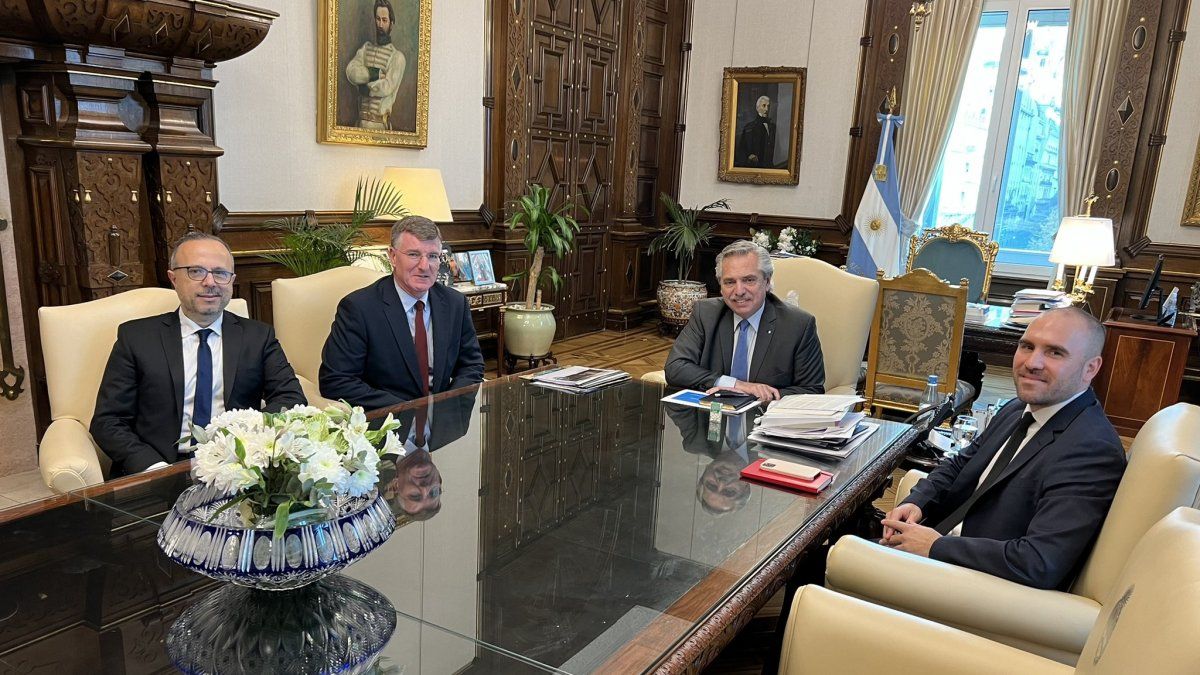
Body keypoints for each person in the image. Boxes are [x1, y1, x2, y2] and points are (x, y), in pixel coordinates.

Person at [881, 307, 1126, 590]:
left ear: (1091, 368)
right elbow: (962, 463)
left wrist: (936, 546)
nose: (1032, 363)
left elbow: (1040, 562)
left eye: (1055, 352)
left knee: (833, 560)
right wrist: (918, 501)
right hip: (936, 545)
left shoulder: (1091, 449)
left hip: (972, 584)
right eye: (1027, 346)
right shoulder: (1018, 408)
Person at [91, 232, 306, 477]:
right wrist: (153, 468)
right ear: (173, 278)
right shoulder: (137, 338)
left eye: (220, 273)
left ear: (232, 280)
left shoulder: (258, 337)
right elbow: (108, 421)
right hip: (159, 469)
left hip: (239, 469)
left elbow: (291, 399)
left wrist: (248, 446)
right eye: (196, 271)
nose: (210, 282)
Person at [320, 216, 484, 409]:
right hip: (388, 424)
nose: (425, 266)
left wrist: (449, 404)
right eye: (414, 254)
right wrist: (406, 411)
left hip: (444, 424)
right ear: (392, 256)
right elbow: (336, 380)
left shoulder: (455, 303)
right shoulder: (359, 308)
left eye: (432, 256)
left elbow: (472, 366)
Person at [664, 240, 824, 401]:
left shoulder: (798, 325)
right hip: (713, 418)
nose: (739, 291)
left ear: (767, 282)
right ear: (720, 286)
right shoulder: (705, 313)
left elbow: (811, 390)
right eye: (730, 282)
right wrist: (736, 385)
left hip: (764, 419)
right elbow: (675, 367)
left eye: (749, 280)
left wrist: (761, 396)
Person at [380, 385, 477, 521]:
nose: (426, 488)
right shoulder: (456, 428)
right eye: (434, 492)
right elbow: (470, 370)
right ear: (439, 479)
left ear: (395, 486)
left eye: (415, 496)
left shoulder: (374, 440)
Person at [345, 0, 406, 130]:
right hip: (359, 125)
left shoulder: (397, 57)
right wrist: (375, 73)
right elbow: (351, 72)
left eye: (384, 20)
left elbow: (387, 87)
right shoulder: (365, 49)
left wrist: (365, 88)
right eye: (378, 19)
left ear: (391, 24)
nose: (380, 24)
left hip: (380, 127)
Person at [736, 95, 776, 168]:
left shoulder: (773, 127)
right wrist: (749, 156)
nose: (766, 109)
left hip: (770, 167)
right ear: (757, 108)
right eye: (764, 106)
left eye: (768, 106)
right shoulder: (749, 127)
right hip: (754, 167)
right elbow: (742, 150)